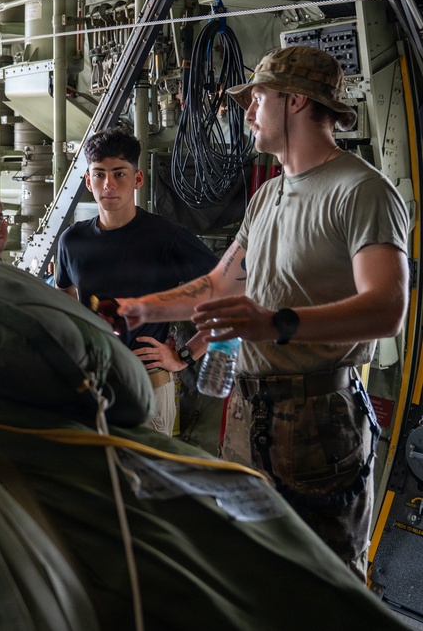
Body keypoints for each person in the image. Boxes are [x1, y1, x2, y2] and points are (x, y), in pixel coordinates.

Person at [117, 46, 409, 579]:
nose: (248, 111)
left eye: (257, 97)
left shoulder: (362, 191)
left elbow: (386, 308)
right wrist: (137, 306)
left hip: (320, 421)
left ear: (295, 100)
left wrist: (277, 323)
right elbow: (218, 282)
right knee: (252, 573)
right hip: (251, 415)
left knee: (324, 583)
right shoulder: (268, 194)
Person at [56, 127, 218, 436]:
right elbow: (64, 295)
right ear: (89, 181)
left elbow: (229, 298)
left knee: (147, 481)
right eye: (99, 175)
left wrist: (184, 355)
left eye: (119, 174)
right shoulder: (72, 241)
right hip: (90, 384)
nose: (109, 185)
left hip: (148, 386)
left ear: (137, 179)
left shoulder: (168, 238)